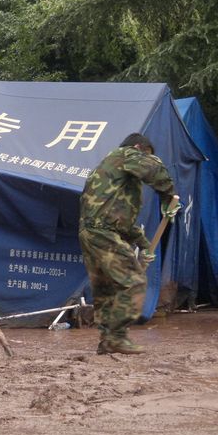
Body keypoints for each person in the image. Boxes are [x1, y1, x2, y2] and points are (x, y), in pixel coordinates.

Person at [79, 133, 177, 355]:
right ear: (137, 148)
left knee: (106, 290)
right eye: (145, 155)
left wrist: (144, 244)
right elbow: (154, 170)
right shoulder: (125, 154)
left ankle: (106, 341)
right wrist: (168, 196)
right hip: (102, 233)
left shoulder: (109, 171)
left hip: (91, 232)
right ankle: (117, 337)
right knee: (133, 281)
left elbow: (118, 219)